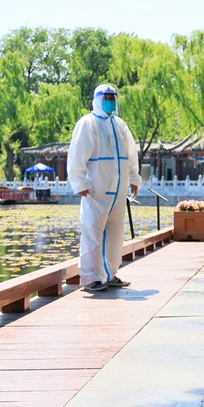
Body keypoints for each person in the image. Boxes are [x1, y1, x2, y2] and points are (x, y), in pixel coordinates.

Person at [67, 83, 142, 292]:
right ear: (97, 99)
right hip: (96, 190)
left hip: (117, 191)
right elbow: (77, 154)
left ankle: (110, 273)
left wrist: (134, 178)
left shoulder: (120, 125)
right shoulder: (88, 123)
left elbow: (130, 154)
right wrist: (80, 182)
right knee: (93, 233)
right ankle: (91, 278)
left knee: (116, 234)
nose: (109, 101)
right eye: (105, 98)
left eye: (112, 98)